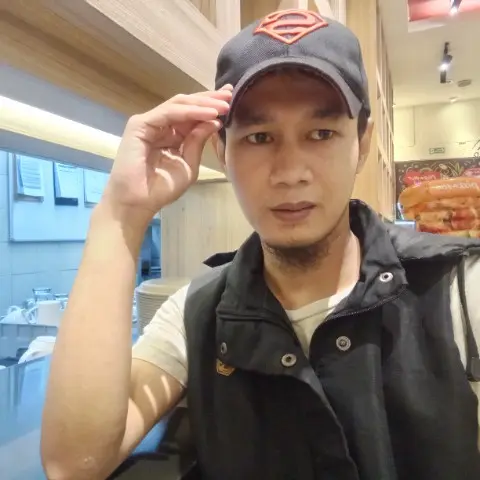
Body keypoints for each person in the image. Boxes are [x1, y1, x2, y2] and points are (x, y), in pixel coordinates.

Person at [41, 8, 480, 480]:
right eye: (259, 136)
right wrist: (120, 215)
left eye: (321, 133)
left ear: (362, 142)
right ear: (222, 151)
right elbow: (75, 461)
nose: (290, 172)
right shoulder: (198, 312)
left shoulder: (459, 291)